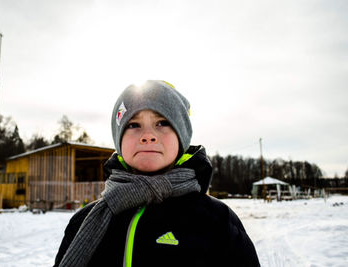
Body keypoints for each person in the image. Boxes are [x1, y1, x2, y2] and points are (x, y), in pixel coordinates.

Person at [54, 80, 260, 267]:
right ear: (119, 141)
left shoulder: (217, 220)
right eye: (134, 125)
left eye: (162, 123)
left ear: (181, 138)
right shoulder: (84, 221)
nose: (148, 136)